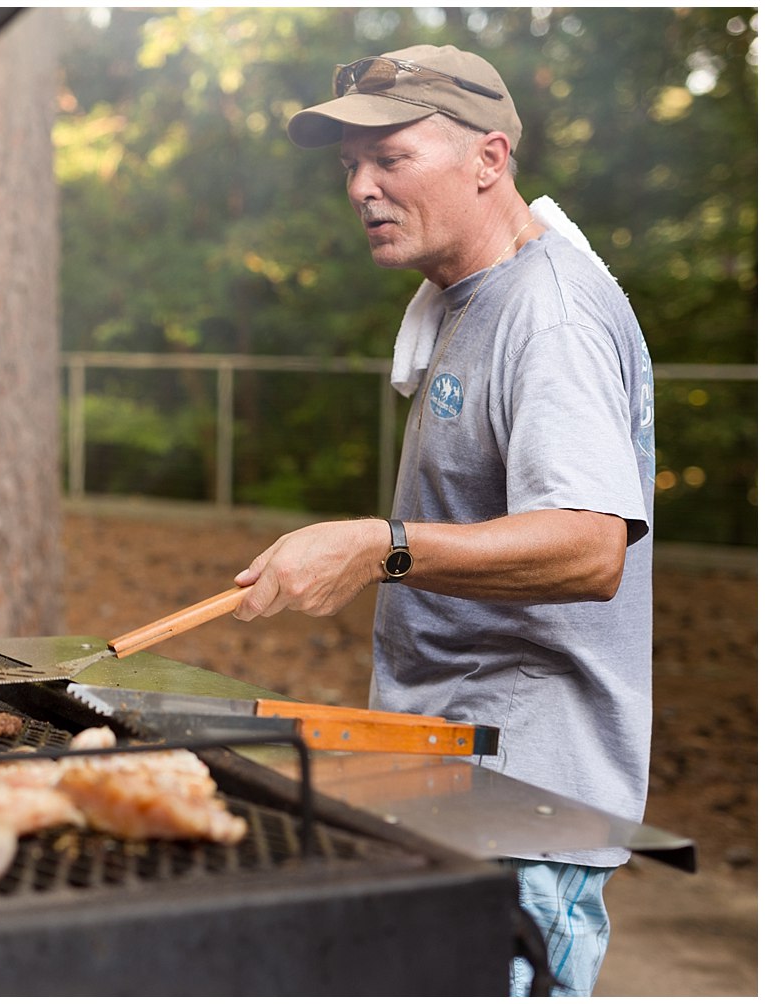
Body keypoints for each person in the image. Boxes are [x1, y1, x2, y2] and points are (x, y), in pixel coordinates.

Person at [232, 44, 656, 996]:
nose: (362, 188)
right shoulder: (465, 300)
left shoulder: (548, 314)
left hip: (525, 798)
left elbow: (592, 548)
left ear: (489, 159)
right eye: (351, 166)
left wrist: (375, 546)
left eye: (393, 157)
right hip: (447, 774)